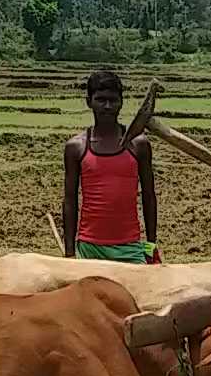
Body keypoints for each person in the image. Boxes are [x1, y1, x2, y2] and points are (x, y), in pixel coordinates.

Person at [63, 69, 159, 263]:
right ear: (89, 102)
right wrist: (69, 254)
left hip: (130, 246)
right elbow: (70, 201)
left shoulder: (138, 145)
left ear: (121, 102)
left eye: (113, 100)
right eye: (100, 99)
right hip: (89, 248)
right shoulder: (77, 147)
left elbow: (149, 196)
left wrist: (151, 246)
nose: (107, 106)